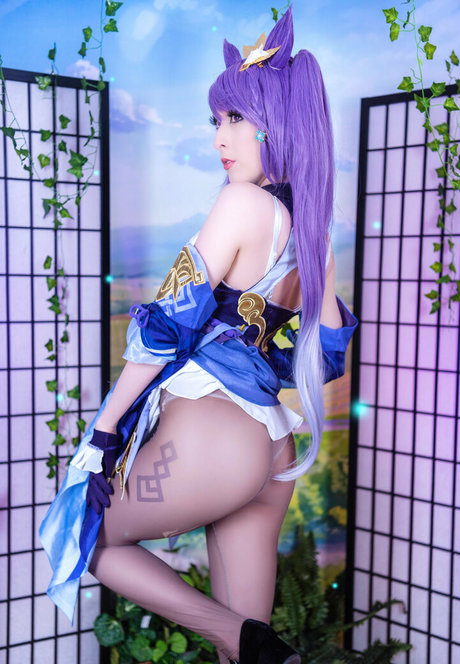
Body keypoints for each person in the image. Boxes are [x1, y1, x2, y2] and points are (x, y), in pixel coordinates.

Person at [40, 6, 358, 663]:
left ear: (276, 123)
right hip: (271, 447)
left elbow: (164, 325)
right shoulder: (313, 236)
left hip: (213, 438)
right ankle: (252, 644)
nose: (221, 137)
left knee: (86, 537)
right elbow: (325, 357)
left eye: (236, 118)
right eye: (217, 120)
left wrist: (103, 432)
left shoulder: (241, 203)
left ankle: (242, 638)